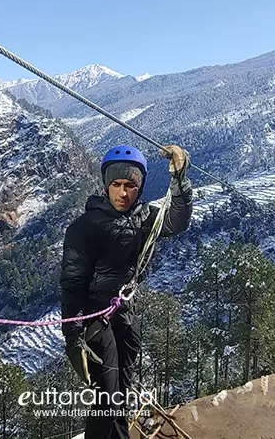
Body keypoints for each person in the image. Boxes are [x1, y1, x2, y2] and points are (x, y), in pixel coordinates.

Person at [59, 144, 193, 439]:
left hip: (122, 312)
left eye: (130, 185)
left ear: (139, 187)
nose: (123, 193)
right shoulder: (86, 227)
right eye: (116, 185)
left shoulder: (144, 219)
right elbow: (72, 283)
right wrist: (73, 335)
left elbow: (178, 221)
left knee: (121, 390)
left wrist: (180, 179)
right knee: (107, 397)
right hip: (95, 316)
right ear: (106, 186)